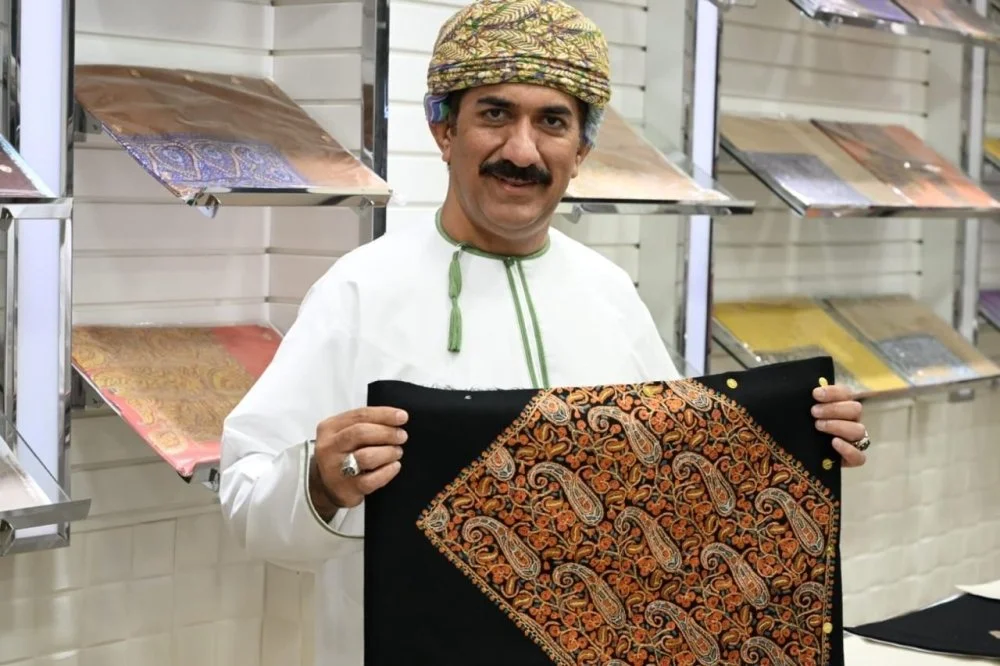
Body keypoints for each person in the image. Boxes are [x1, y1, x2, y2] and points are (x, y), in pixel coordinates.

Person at [217, 0, 870, 663]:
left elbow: (681, 490)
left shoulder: (610, 294)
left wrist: (798, 439)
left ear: (581, 148)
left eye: (552, 121)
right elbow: (245, 502)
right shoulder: (358, 292)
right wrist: (323, 483)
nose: (521, 150)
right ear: (443, 130)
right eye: (495, 114)